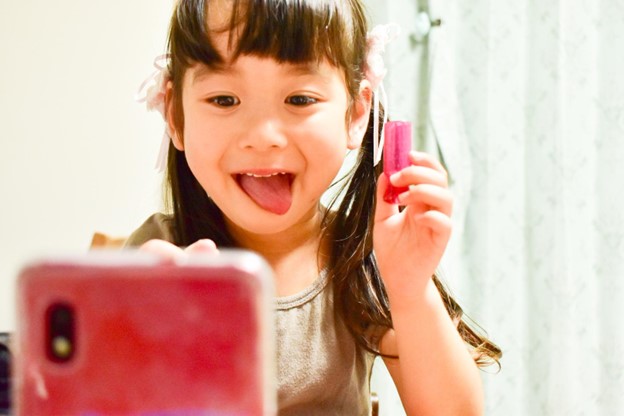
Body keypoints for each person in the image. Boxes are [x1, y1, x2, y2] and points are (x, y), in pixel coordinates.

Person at [128, 0, 501, 414]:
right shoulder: (160, 253)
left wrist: (411, 289)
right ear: (175, 115)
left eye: (300, 99)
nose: (263, 136)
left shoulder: (359, 256)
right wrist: (144, 325)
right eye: (224, 100)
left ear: (356, 114)